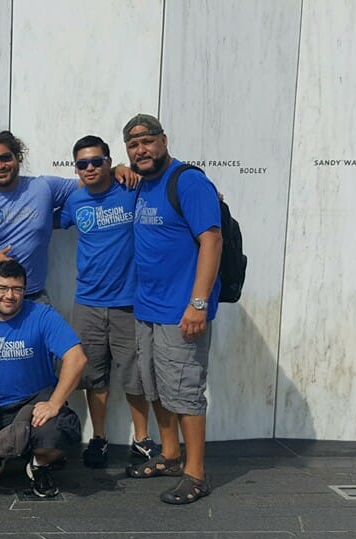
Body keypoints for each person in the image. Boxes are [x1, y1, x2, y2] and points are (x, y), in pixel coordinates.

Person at [122, 114, 222, 505]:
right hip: (147, 307)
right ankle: (170, 455)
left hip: (181, 311)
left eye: (147, 141)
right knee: (157, 386)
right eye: (133, 145)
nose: (141, 150)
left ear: (164, 140)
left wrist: (197, 304)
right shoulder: (143, 184)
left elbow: (211, 242)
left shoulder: (189, 182)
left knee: (185, 391)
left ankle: (195, 474)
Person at [0, 130, 138, 314]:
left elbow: (89, 179)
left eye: (5, 158)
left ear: (18, 157)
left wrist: (115, 169)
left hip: (32, 297)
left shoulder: (43, 187)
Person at [58, 135, 157, 468]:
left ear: (108, 162)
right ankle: (98, 438)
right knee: (94, 377)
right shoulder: (74, 202)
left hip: (129, 303)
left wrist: (124, 168)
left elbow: (156, 170)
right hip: (87, 302)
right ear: (76, 169)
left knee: (135, 376)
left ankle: (142, 440)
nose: (90, 168)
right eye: (82, 163)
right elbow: (46, 221)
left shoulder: (131, 188)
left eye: (97, 161)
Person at [0, 260, 87, 497]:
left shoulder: (43, 315)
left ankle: (39, 464)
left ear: (25, 291)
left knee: (52, 439)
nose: (9, 295)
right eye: (3, 288)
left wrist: (54, 403)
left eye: (17, 289)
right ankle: (14, 452)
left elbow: (76, 358)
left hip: (37, 403)